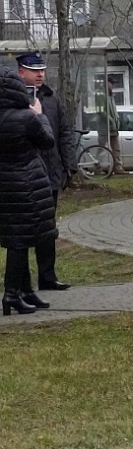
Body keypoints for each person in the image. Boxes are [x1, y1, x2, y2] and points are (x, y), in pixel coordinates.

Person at [16, 53, 74, 291]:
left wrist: (69, 165)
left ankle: (48, 277)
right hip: (23, 175)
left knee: (47, 229)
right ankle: (21, 284)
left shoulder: (51, 98)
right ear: (21, 72)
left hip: (50, 173)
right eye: (34, 70)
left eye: (42, 70)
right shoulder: (13, 98)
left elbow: (64, 133)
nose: (40, 74)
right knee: (21, 231)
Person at [0, 71, 57, 315]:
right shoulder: (27, 118)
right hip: (27, 185)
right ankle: (12, 294)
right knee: (20, 242)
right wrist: (40, 116)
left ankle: (25, 291)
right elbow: (47, 142)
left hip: (5, 185)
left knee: (17, 238)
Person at [99, 79, 127, 174]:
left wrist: (116, 120)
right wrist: (110, 119)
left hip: (113, 128)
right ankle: (98, 168)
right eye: (112, 83)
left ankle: (118, 167)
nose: (113, 85)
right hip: (104, 128)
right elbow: (101, 111)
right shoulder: (101, 95)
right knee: (102, 149)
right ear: (106, 83)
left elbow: (114, 110)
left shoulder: (111, 96)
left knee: (116, 149)